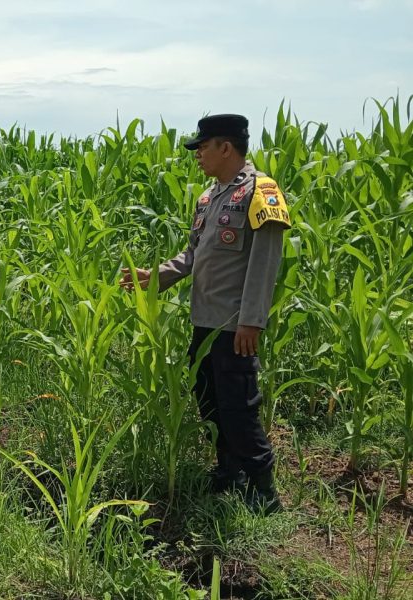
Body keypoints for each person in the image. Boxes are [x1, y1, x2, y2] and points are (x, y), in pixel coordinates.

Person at [120, 114, 290, 514]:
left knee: (239, 406)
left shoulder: (260, 193)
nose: (197, 154)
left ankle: (263, 491)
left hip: (235, 327)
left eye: (203, 146)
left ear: (225, 147)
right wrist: (157, 276)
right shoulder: (211, 197)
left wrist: (252, 320)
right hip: (205, 323)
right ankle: (229, 472)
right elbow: (196, 255)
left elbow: (264, 263)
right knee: (210, 401)